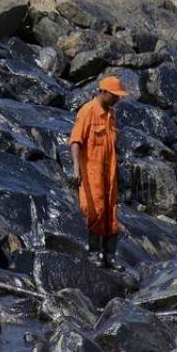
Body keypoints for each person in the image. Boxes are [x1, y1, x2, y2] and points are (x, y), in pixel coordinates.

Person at [68, 76, 129, 271]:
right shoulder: (87, 111)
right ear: (103, 92)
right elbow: (76, 141)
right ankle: (94, 253)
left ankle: (110, 256)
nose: (117, 100)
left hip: (109, 175)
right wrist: (76, 169)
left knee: (111, 215)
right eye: (114, 96)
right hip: (91, 174)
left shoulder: (110, 115)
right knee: (95, 212)